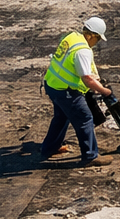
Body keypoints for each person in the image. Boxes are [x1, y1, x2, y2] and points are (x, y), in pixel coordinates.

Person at [41, 17, 115, 168]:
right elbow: (87, 79)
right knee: (85, 118)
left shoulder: (72, 37)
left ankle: (49, 148)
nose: (97, 42)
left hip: (52, 84)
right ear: (90, 36)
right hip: (65, 91)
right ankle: (90, 156)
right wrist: (104, 91)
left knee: (62, 116)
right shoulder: (83, 51)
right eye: (98, 39)